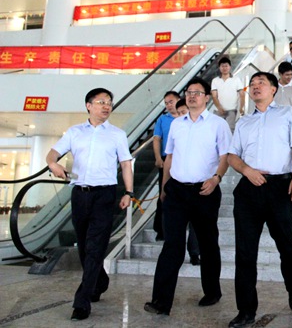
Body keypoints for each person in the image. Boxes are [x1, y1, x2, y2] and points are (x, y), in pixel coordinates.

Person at [144, 77, 231, 316]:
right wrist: (164, 187)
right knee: (172, 245)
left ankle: (212, 291)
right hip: (177, 191)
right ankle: (161, 302)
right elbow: (169, 157)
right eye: (189, 92)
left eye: (197, 92)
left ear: (206, 97)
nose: (192, 96)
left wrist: (216, 178)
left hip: (205, 191)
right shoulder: (176, 125)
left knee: (208, 243)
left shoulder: (218, 124)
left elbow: (225, 156)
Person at [46, 88, 134, 321]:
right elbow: (52, 154)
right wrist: (53, 164)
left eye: (109, 103)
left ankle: (82, 302)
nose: (106, 106)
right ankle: (100, 280)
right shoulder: (74, 132)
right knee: (85, 247)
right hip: (79, 194)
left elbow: (126, 164)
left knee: (95, 248)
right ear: (88, 105)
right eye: (101, 102)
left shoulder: (117, 134)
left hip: (105, 195)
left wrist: (129, 192)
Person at [227, 71, 292, 328]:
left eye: (261, 82)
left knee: (287, 245)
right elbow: (232, 156)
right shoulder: (243, 122)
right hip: (249, 188)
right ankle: (246, 311)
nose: (255, 86)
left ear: (274, 89)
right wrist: (246, 170)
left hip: (280, 187)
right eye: (252, 83)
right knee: (245, 252)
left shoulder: (287, 114)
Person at [175, 98, 201, 266]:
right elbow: (170, 157)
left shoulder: (205, 128)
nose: (181, 116)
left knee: (195, 223)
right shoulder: (176, 127)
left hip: (199, 184)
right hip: (178, 185)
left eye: (183, 112)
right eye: (179, 113)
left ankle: (194, 252)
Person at [152, 91, 181, 241]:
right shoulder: (163, 119)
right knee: (164, 193)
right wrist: (158, 157)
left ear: (179, 100)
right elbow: (157, 139)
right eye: (166, 103)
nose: (169, 105)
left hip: (183, 160)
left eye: (171, 102)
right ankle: (161, 229)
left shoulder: (186, 117)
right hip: (166, 160)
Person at [211, 56, 246, 131]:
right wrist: (219, 108)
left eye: (226, 66)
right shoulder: (215, 80)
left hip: (231, 110)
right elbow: (214, 96)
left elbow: (242, 94)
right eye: (222, 66)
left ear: (230, 67)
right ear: (219, 68)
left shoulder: (236, 80)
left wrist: (241, 107)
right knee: (217, 130)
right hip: (218, 110)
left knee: (230, 130)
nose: (224, 68)